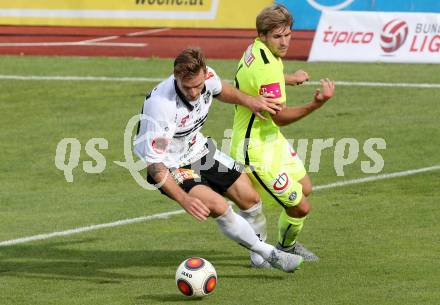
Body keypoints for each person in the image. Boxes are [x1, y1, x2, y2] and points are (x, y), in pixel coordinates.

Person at [133, 47, 303, 272]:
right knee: (220, 207)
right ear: (176, 77)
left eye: (198, 86)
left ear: (204, 74)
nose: (194, 93)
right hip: (170, 165)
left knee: (251, 199)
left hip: (198, 149)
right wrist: (184, 200)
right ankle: (269, 254)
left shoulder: (208, 76)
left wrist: (250, 101)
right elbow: (155, 166)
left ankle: (258, 260)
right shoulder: (162, 107)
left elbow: (222, 90)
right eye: (187, 87)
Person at [230, 4, 335, 267]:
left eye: (288, 34)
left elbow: (254, 80)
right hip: (254, 148)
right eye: (278, 37)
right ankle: (280, 248)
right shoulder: (264, 65)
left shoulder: (259, 51)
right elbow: (279, 116)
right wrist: (316, 104)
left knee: (305, 188)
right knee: (300, 207)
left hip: (270, 139)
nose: (285, 42)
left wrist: (289, 78)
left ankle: (278, 241)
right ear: (263, 35)